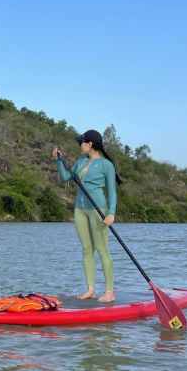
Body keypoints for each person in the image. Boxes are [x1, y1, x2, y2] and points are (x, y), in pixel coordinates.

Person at [52, 129, 122, 303]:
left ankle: (109, 292)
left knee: (102, 250)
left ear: (90, 144)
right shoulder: (81, 161)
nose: (80, 145)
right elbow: (64, 177)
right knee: (86, 249)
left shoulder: (107, 165)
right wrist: (59, 161)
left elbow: (112, 192)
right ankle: (90, 289)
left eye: (81, 142)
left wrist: (111, 213)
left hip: (98, 210)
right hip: (80, 210)